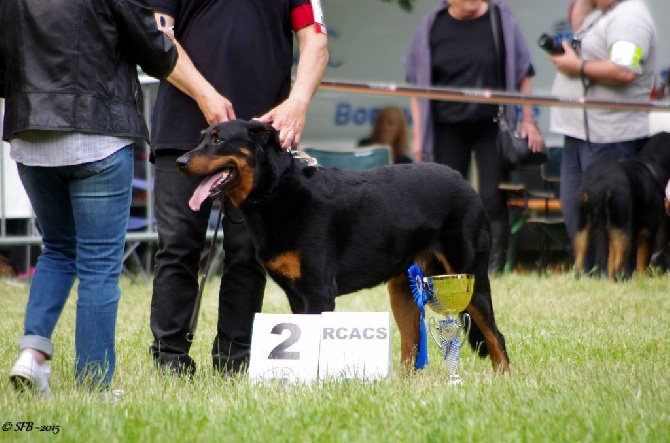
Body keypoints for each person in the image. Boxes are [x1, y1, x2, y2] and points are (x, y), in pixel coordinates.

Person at [0, 0, 179, 396]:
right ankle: (93, 387)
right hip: (98, 136)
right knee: (98, 263)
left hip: (30, 135)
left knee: (58, 249)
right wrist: (163, 36)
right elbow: (158, 55)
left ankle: (31, 356)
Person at [148, 0, 329, 377]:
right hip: (184, 130)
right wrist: (204, 94)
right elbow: (158, 35)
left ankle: (235, 359)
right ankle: (170, 359)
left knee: (249, 251)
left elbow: (316, 41)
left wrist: (298, 101)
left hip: (260, 139)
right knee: (178, 244)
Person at [403, 0, 544, 273]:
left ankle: (493, 269)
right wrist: (419, 137)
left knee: (492, 197)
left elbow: (524, 72)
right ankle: (446, 267)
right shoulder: (433, 24)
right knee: (444, 199)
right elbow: (415, 85)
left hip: (492, 125)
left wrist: (528, 120)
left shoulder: (500, 19)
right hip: (446, 126)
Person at [548, 0, 657, 271]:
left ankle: (608, 280)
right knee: (578, 213)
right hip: (579, 133)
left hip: (610, 138)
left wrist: (579, 68)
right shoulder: (602, 14)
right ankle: (587, 276)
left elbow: (624, 69)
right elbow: (578, 27)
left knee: (607, 221)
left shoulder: (630, 17)